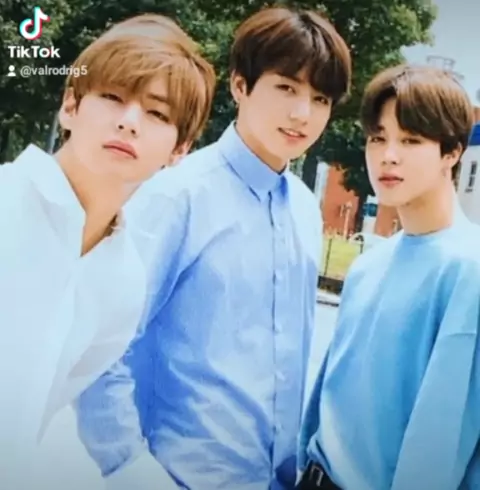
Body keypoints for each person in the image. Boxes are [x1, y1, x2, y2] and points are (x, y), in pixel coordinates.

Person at [74, 6, 351, 490]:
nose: (302, 114)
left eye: (320, 98)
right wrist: (131, 469)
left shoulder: (306, 211)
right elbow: (100, 348)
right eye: (286, 88)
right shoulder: (177, 195)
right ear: (241, 86)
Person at [0, 13, 215, 489]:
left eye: (157, 114)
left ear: (179, 150)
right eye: (113, 97)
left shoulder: (123, 281)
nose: (129, 122)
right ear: (70, 106)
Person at [297, 64, 480, 490]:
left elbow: (442, 438)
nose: (388, 155)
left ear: (452, 153)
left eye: (411, 140)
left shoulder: (468, 269)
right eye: (378, 138)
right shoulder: (369, 264)